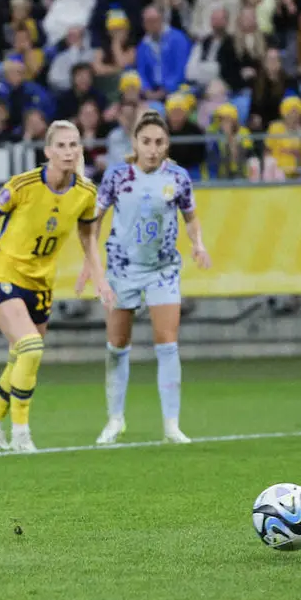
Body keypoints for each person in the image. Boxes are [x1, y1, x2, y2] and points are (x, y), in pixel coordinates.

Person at [0, 121, 113, 452]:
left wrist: (98, 275)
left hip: (42, 283)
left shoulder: (86, 193)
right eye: (61, 145)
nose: (68, 151)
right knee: (30, 346)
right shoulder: (24, 184)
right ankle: (20, 432)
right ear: (47, 151)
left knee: (22, 355)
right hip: (5, 273)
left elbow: (88, 235)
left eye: (74, 145)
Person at [84, 111, 212, 446]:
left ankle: (172, 425)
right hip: (122, 269)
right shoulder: (116, 176)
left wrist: (198, 244)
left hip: (162, 269)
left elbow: (191, 217)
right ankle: (115, 419)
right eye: (146, 142)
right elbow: (93, 221)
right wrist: (92, 262)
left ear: (167, 145)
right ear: (135, 144)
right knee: (117, 346)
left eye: (159, 142)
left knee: (167, 344)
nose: (153, 149)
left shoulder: (179, 178)